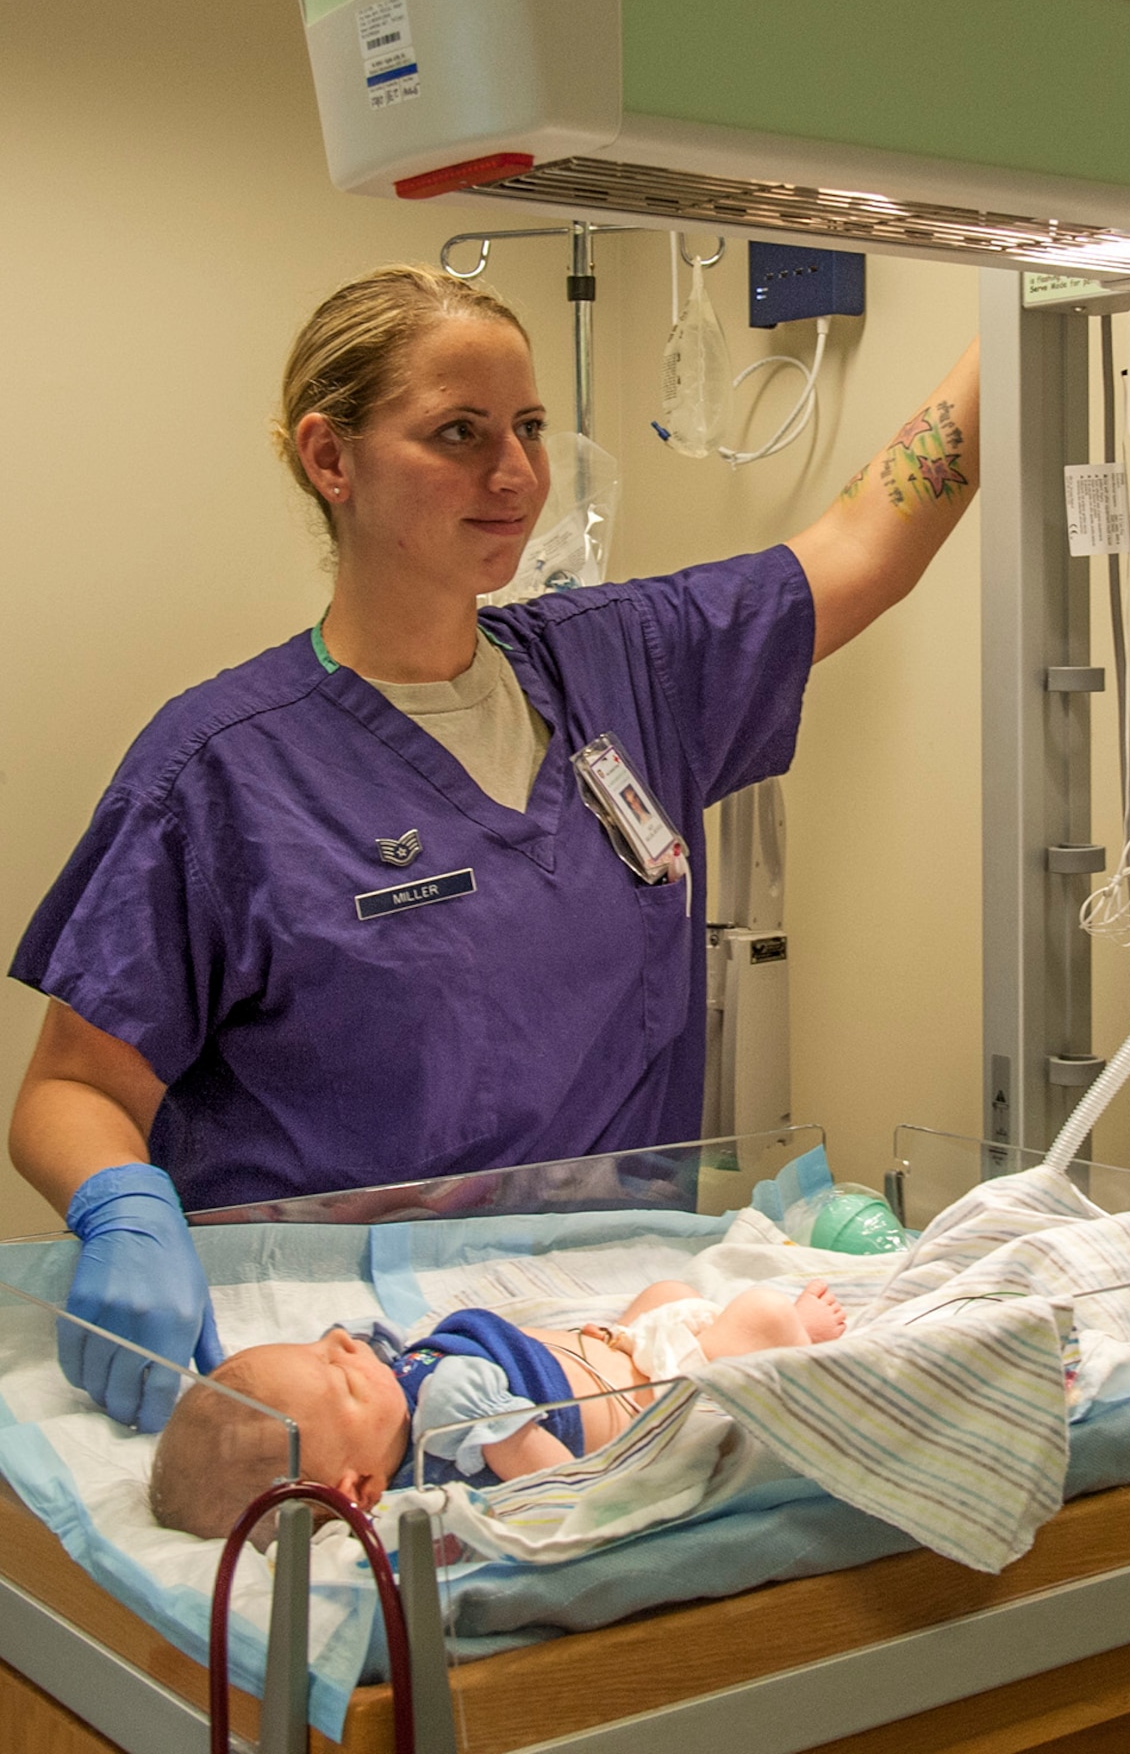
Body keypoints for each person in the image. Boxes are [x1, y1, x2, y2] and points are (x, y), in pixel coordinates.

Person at [8, 264, 979, 1431]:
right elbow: (71, 1087)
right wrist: (123, 1207)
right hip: (332, 1349)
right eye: (459, 433)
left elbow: (871, 536)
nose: (515, 474)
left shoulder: (628, 666)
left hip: (608, 1306)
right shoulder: (220, 769)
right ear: (332, 459)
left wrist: (1014, 311)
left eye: (526, 427)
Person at [149, 1278, 847, 1539]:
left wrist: (346, 1375)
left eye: (321, 1346)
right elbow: (572, 1488)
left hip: (625, 1341)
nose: (339, 1341)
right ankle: (798, 1338)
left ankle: (704, 1328)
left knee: (666, 1293)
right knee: (758, 1314)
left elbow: (365, 1357)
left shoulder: (391, 1398)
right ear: (357, 1488)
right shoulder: (451, 1413)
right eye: (345, 1381)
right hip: (657, 1394)